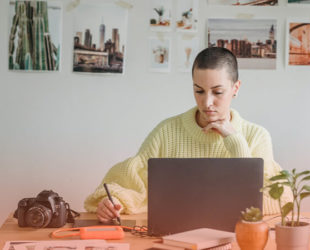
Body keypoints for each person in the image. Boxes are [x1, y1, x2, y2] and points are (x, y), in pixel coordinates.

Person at [84, 47, 290, 223]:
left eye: (217, 92)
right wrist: (112, 203)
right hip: (172, 237)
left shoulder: (257, 135)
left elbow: (275, 200)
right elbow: (132, 182)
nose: (207, 102)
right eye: (199, 91)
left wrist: (235, 140)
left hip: (236, 237)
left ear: (236, 88)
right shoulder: (167, 131)